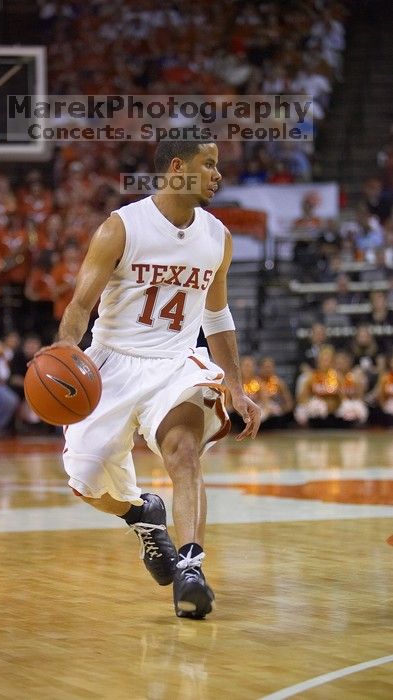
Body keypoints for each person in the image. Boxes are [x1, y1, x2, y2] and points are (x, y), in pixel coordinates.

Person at [34, 141, 261, 619]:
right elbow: (80, 306)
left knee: (183, 449)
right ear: (178, 168)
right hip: (113, 364)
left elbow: (217, 316)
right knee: (89, 481)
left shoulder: (217, 237)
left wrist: (237, 388)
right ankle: (141, 515)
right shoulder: (121, 227)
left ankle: (192, 566)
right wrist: (66, 349)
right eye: (209, 164)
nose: (218, 174)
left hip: (176, 362)